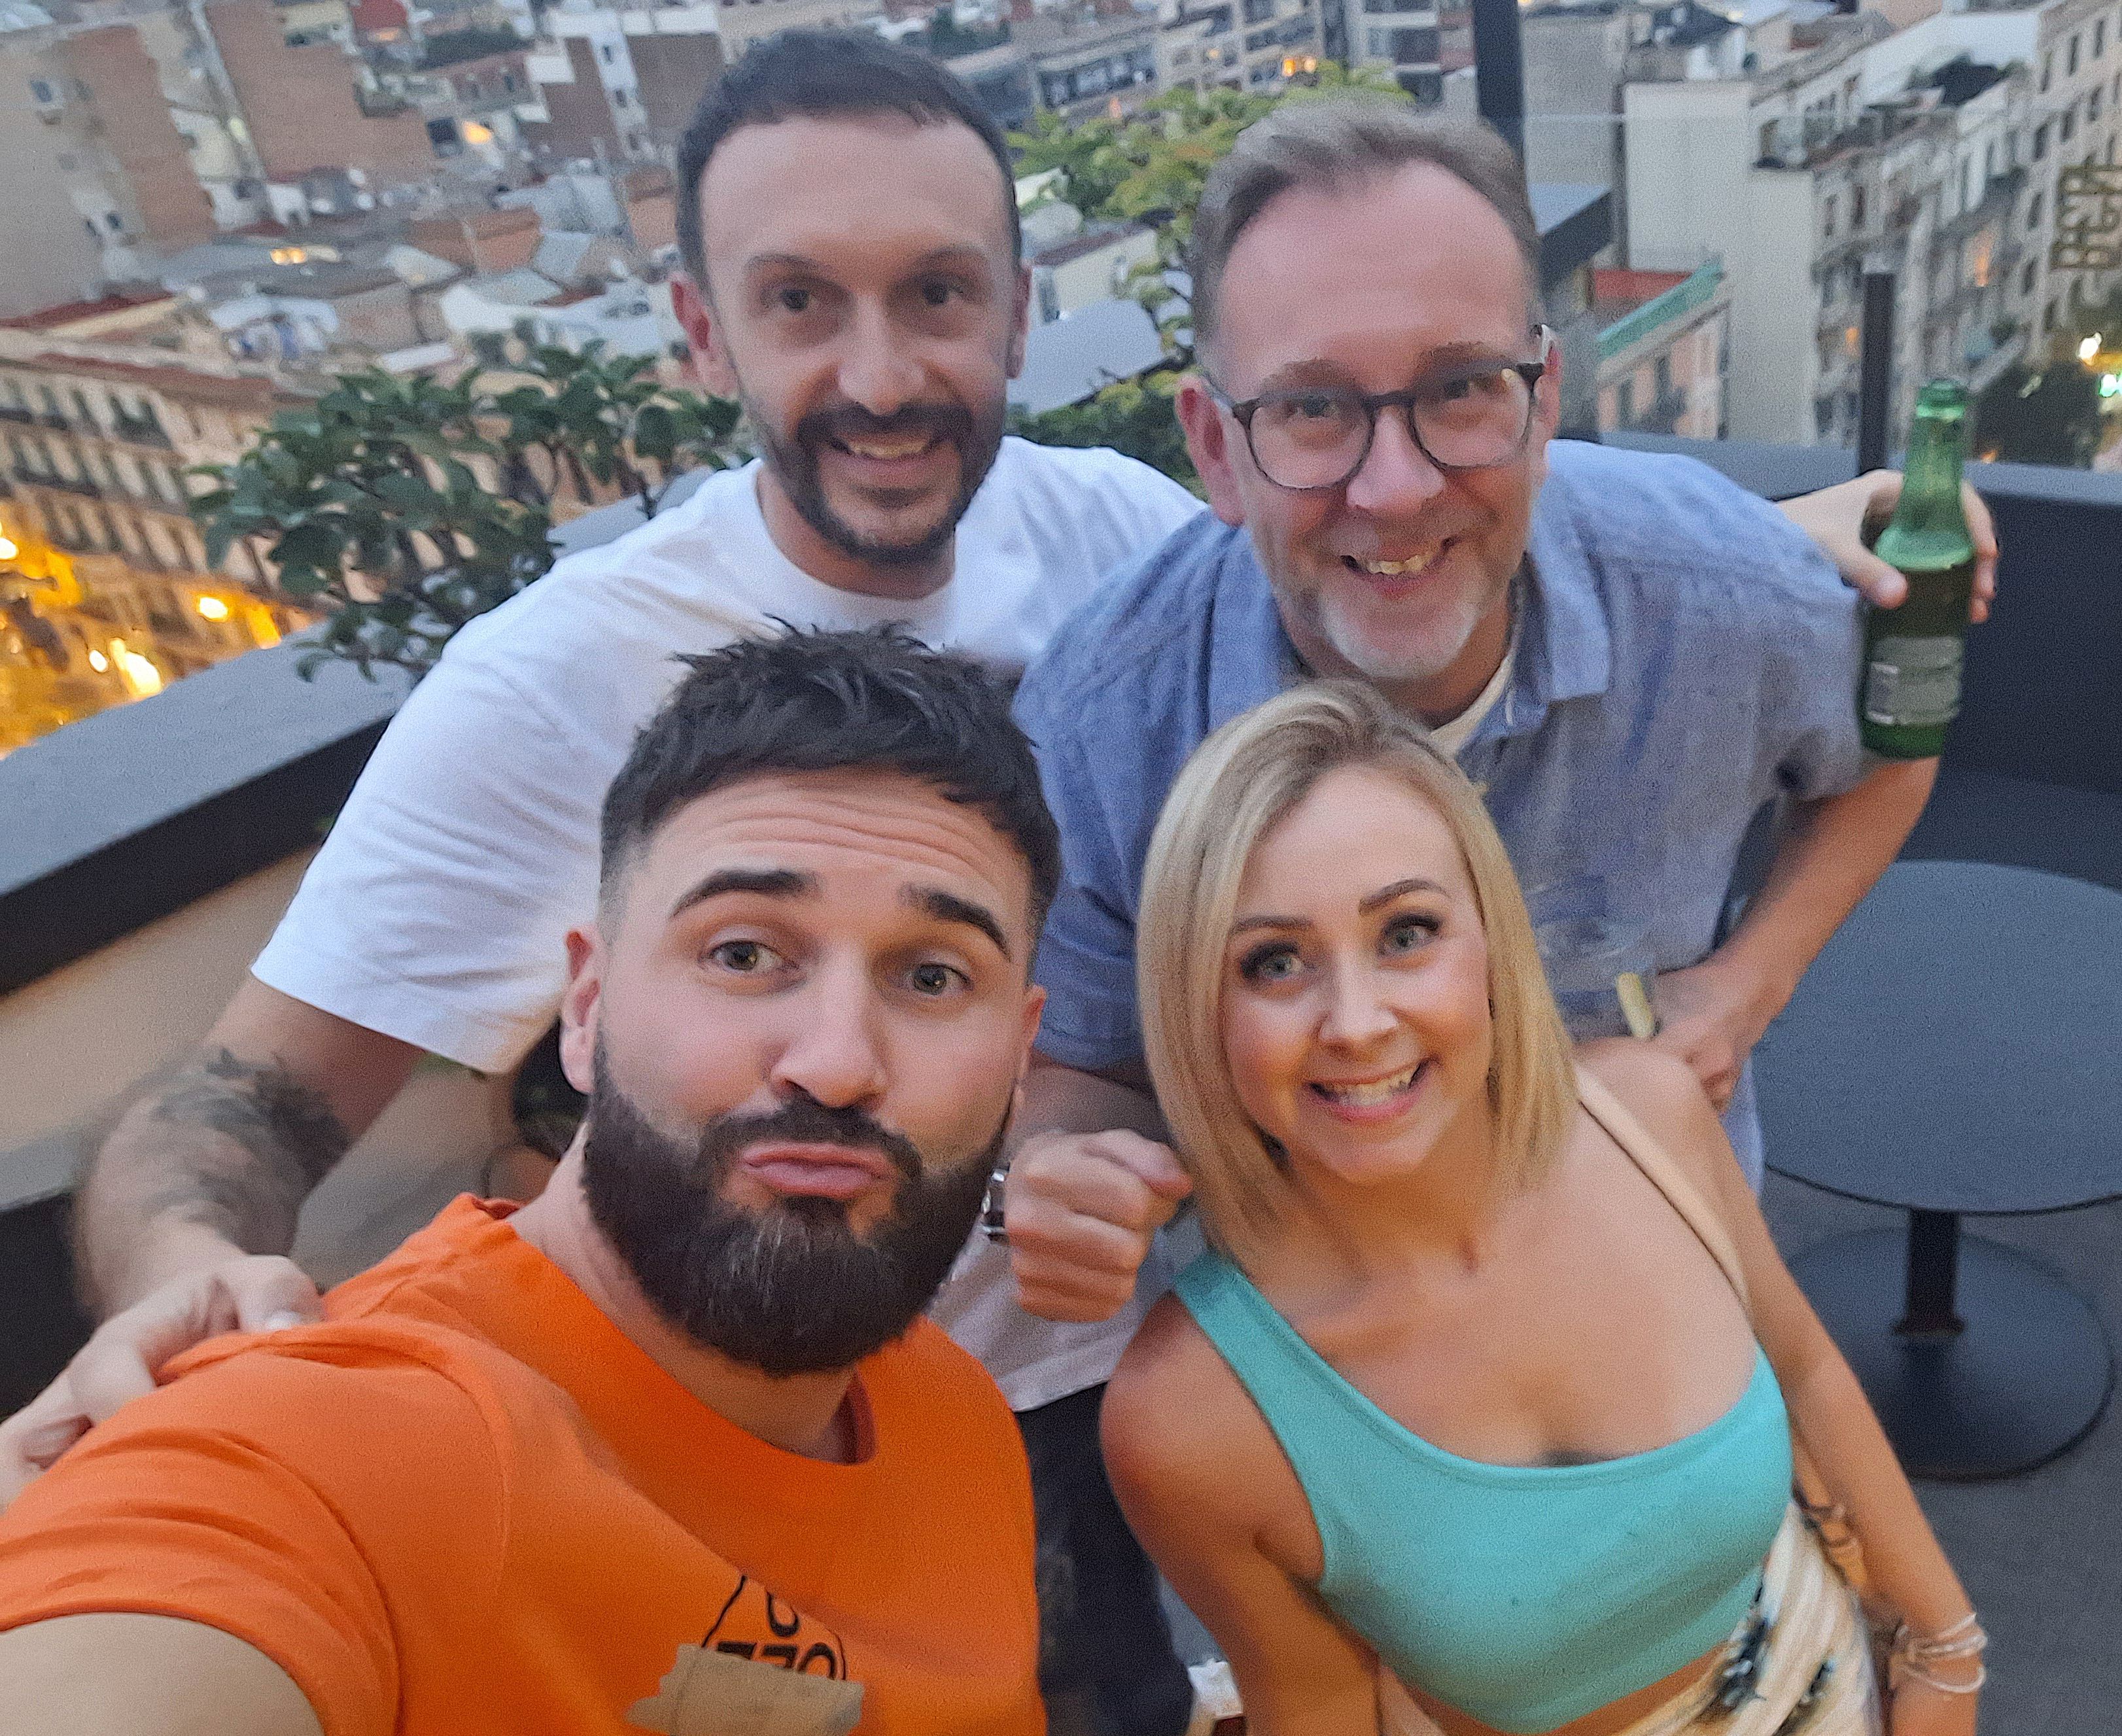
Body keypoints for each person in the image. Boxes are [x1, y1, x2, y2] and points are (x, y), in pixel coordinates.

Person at [0, 48, 1968, 1735]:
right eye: (746, 938)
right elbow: (236, 1126)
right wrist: (196, 1330)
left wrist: (1743, 565)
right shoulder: (559, 680)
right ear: (701, 331)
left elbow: (1425, 520)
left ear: (1021, 314)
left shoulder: (1125, 532)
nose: (880, 371)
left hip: (1131, 1365)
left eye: (936, 294)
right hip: (930, 1391)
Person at [1001, 103, 1991, 1342]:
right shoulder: (1102, 723)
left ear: (1543, 401)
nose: (1398, 487)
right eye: (1312, 410)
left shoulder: (1724, 598)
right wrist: (1061, 1172)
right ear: (1216, 447)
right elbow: (1081, 1061)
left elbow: (1891, 747)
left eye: (1463, 388)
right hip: (1316, 1370)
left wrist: (1748, 984)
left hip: (1661, 1274)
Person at [0, 629, 1056, 1735]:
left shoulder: (955, 1417)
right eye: (743, 953)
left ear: (1022, 1057)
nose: (836, 1060)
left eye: (934, 975)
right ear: (589, 1010)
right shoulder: (361, 1441)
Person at [1101, 678, 1981, 1736]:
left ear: (1490, 941)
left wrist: (1944, 1650)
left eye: (1406, 931)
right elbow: (1318, 1704)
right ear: (1199, 1006)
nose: (1358, 1020)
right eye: (1274, 962)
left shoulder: (1647, 1115)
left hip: (1826, 1683)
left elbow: (1805, 1372)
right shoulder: (1190, 1417)